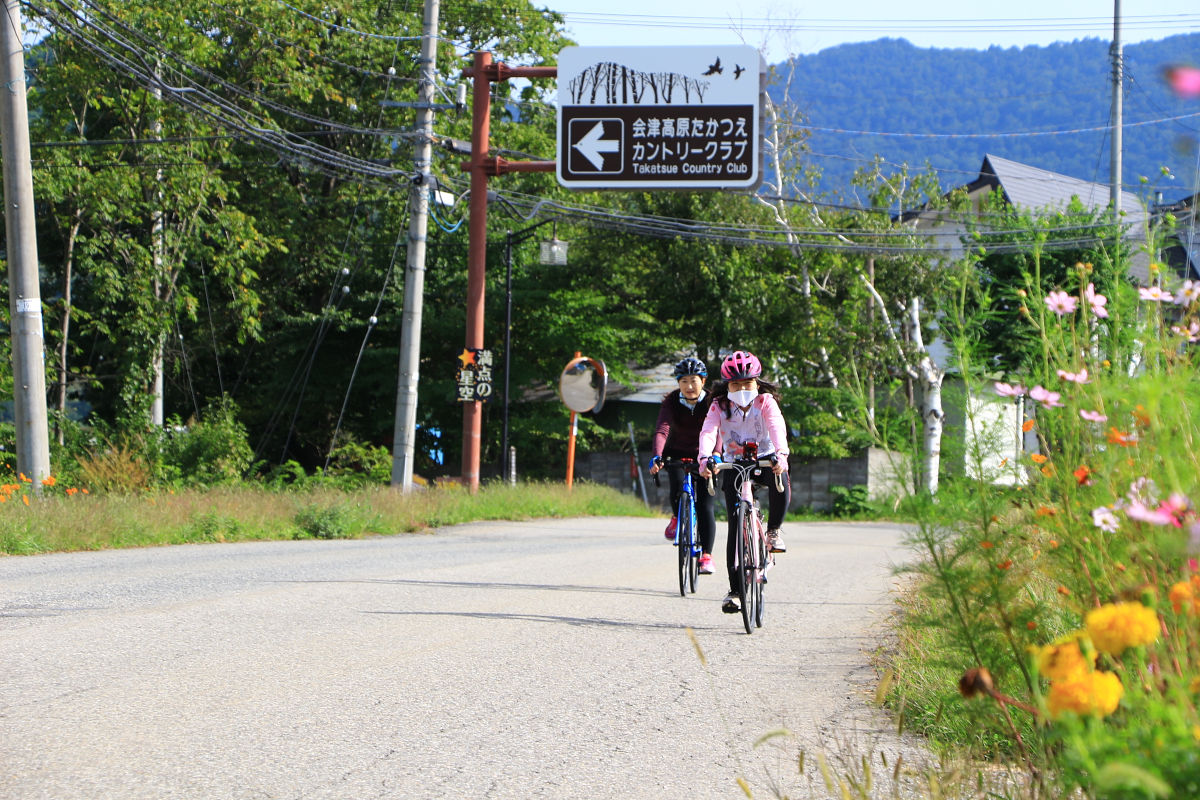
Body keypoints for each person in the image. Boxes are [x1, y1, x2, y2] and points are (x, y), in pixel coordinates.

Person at [698, 350, 791, 614]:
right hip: (734, 463)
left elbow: (776, 427)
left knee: (779, 476)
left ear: (757, 382)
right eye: (735, 384)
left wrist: (781, 455)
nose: (741, 389)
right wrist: (705, 458)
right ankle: (736, 591)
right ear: (726, 385)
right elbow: (708, 432)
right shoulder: (718, 406)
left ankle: (773, 531)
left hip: (765, 458)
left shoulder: (766, 402)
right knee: (735, 526)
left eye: (747, 383)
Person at [648, 357, 719, 575]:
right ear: (678, 383)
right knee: (677, 486)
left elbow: (718, 430)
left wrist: (716, 455)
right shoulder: (671, 401)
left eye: (694, 381)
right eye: (684, 381)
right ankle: (677, 516)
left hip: (705, 455)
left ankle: (706, 555)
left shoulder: (712, 402)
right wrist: (657, 455)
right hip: (677, 453)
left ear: (703, 380)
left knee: (706, 506)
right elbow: (663, 428)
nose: (689, 386)